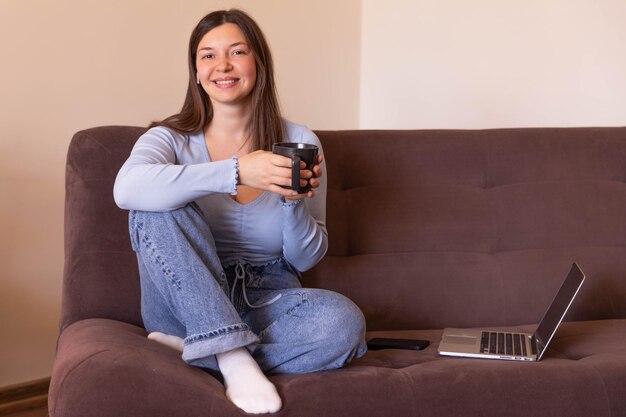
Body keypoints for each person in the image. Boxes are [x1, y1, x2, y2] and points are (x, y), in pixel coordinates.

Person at [113, 8, 367, 415]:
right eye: (208, 55)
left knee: (343, 322)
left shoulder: (299, 140)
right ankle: (230, 354)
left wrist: (293, 203)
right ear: (195, 72)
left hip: (267, 294)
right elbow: (125, 190)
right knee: (153, 203)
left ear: (258, 64)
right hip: (181, 304)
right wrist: (236, 171)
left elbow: (305, 258)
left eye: (237, 52)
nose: (223, 66)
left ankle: (203, 349)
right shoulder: (169, 138)